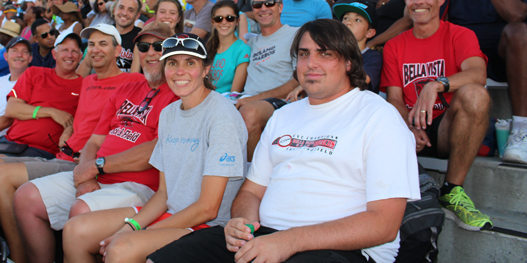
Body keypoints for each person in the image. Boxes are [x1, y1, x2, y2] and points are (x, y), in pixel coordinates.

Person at [148, 19, 420, 263]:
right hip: (265, 237)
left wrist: (290, 240)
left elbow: (384, 223)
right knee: (163, 258)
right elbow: (251, 192)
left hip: (342, 250)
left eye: (325, 54)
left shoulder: (379, 117)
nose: (311, 63)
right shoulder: (283, 116)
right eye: (304, 54)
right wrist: (243, 223)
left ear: (349, 61)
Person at [62, 33, 248, 263]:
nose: (180, 71)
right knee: (75, 230)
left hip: (207, 225)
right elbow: (163, 194)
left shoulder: (221, 116)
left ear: (206, 69)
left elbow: (208, 208)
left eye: (190, 63)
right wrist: (132, 226)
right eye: (172, 63)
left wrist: (143, 233)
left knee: (120, 249)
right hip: (170, 212)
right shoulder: (169, 113)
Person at [0, 26, 145, 262]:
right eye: (92, 45)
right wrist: (69, 127)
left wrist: (91, 162)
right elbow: (83, 117)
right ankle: (4, 248)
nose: (95, 50)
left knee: (0, 174)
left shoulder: (132, 80)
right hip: (63, 154)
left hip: (81, 159)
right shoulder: (87, 81)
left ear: (117, 50)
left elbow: (125, 126)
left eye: (103, 44)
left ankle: (14, 255)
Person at [12, 23, 178, 263]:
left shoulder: (176, 93)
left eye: (158, 46)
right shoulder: (128, 88)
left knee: (80, 210)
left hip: (139, 184)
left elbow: (156, 149)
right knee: (26, 197)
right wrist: (87, 174)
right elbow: (95, 139)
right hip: (97, 173)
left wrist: (95, 167)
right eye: (143, 46)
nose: (150, 52)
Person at [381, 0, 492, 231]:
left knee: (475, 94)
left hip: (447, 128)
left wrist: (437, 84)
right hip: (410, 130)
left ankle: (452, 190)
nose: (418, 2)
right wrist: (407, 128)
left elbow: (478, 74)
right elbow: (394, 98)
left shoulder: (459, 34)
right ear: (405, 2)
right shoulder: (394, 45)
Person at [443, 0, 527, 164]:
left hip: (504, 57)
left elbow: (516, 14)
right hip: (464, 57)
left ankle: (521, 130)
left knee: (518, 31)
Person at [235, 0, 298, 159]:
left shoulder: (296, 35)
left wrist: (253, 99)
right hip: (246, 100)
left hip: (279, 103)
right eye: (257, 5)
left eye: (269, 3)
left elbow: (298, 80)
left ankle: (256, 177)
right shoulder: (251, 43)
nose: (263, 9)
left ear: (280, 6)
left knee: (249, 113)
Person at [334, 2, 382, 92]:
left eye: (357, 20)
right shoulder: (333, 52)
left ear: (370, 32)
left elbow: (361, 80)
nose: (348, 22)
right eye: (346, 18)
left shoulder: (372, 57)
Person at [207, 0, 250, 94]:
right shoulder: (208, 47)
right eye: (219, 18)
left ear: (237, 21)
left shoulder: (242, 50)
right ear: (213, 22)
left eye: (230, 18)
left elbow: (234, 93)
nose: (224, 22)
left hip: (225, 102)